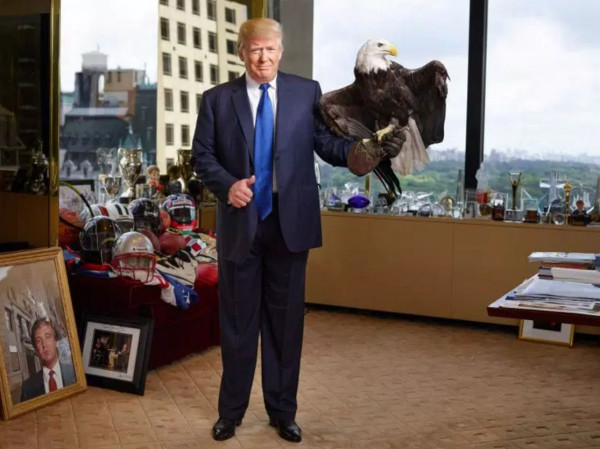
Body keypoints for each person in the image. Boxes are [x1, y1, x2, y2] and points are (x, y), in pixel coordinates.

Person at [191, 18, 402, 443]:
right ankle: (230, 413)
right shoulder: (216, 100)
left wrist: (364, 153)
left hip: (291, 226)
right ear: (241, 53)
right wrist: (227, 185)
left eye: (270, 49)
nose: (263, 57)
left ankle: (282, 412)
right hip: (241, 227)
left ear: (281, 51)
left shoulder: (307, 92)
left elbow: (326, 144)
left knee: (286, 327)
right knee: (237, 325)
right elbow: (202, 156)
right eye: (255, 50)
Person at [20, 318, 76, 402]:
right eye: (39, 340)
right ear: (36, 350)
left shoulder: (75, 373)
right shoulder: (27, 388)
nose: (44, 345)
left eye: (48, 337)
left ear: (56, 342)